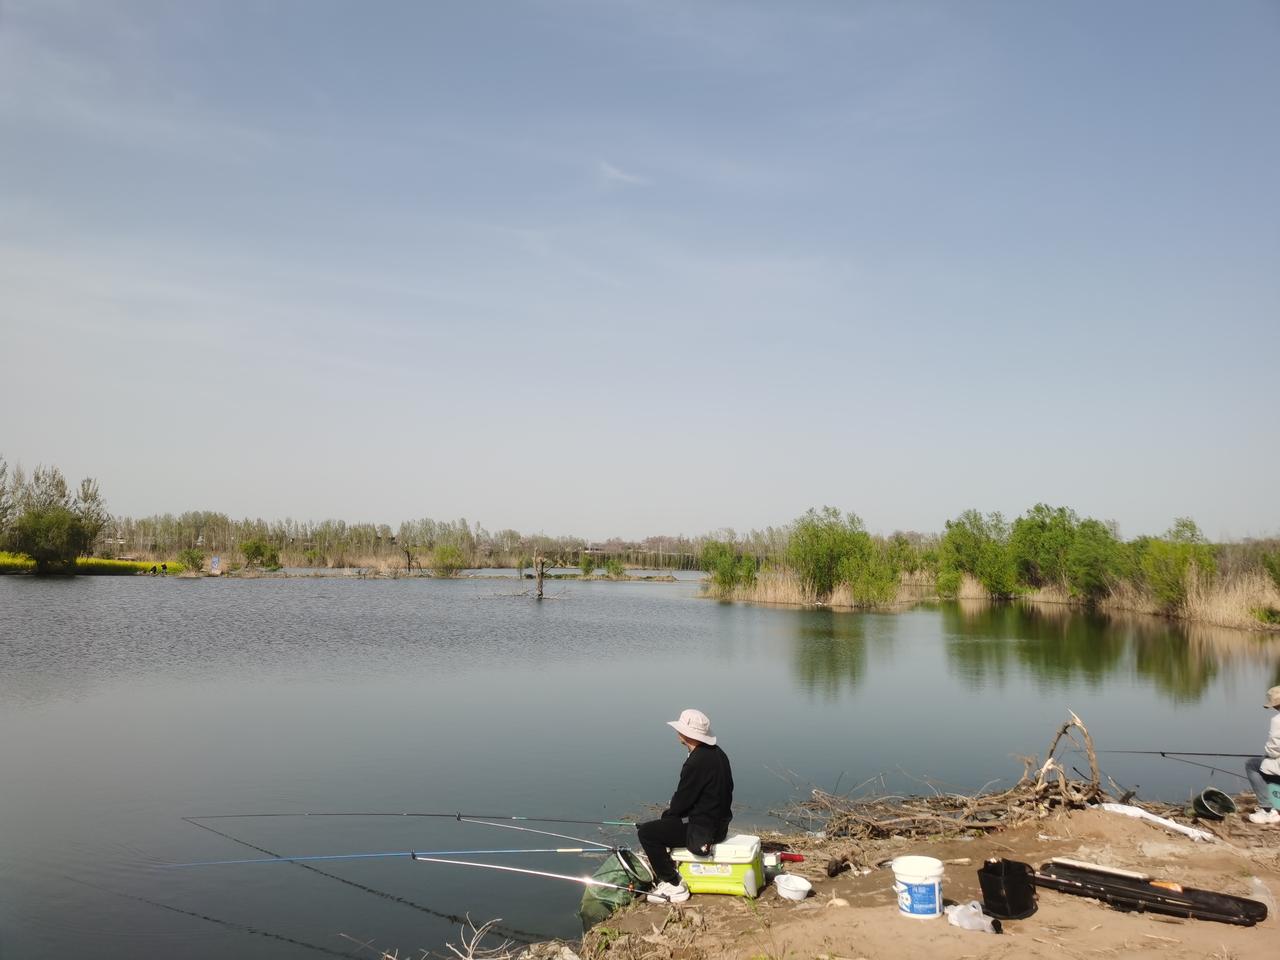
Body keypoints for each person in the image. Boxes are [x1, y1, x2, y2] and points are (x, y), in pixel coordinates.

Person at [637, 708, 734, 904]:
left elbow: (682, 802)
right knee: (664, 824)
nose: (677, 733)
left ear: (686, 734)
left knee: (647, 833)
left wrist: (666, 817)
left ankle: (674, 884)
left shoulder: (696, 762)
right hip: (720, 826)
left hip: (704, 832)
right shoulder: (718, 754)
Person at [1245, 686, 1280, 825]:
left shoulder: (1277, 720)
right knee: (1268, 765)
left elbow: (1273, 749)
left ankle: (1267, 810)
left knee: (1252, 765)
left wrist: (1267, 755)